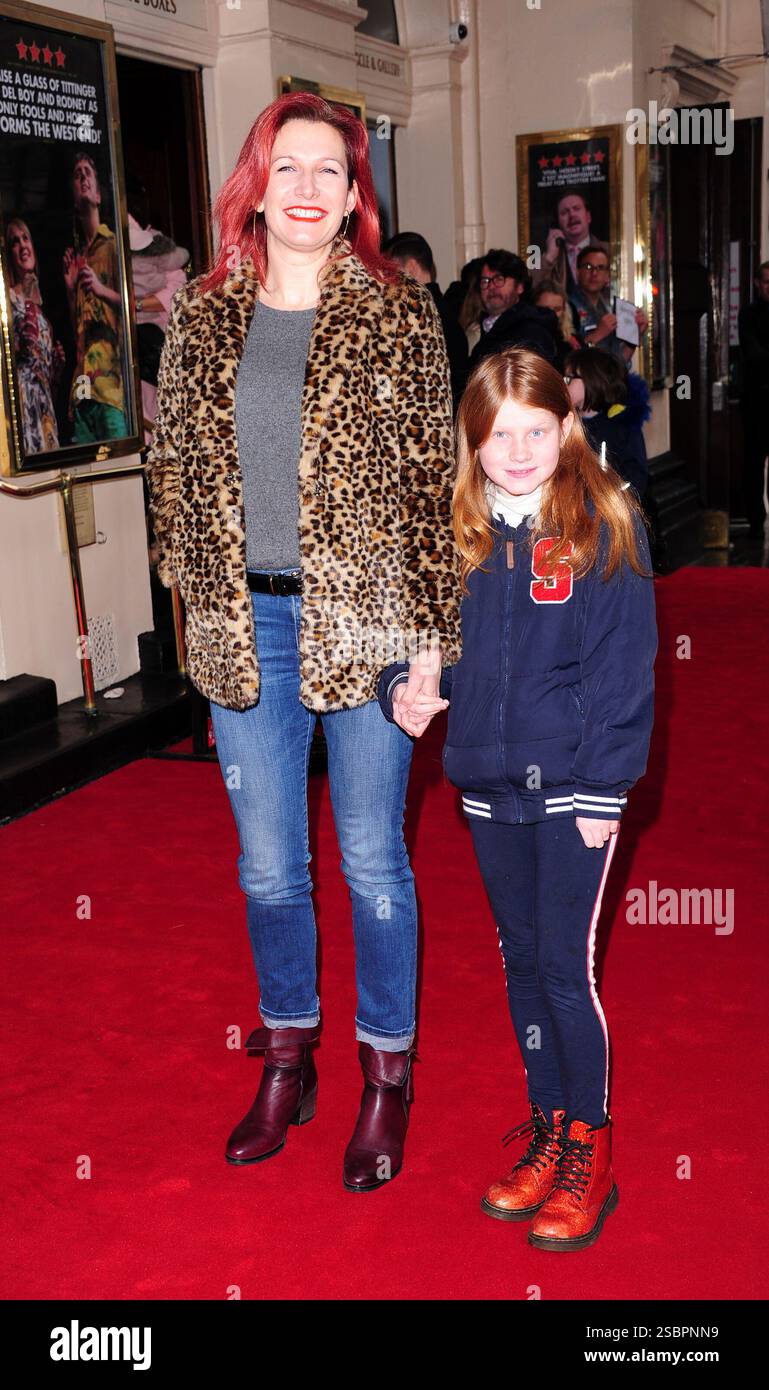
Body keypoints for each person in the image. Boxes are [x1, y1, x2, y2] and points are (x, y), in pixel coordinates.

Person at [145, 91, 463, 1194]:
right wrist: (190, 588)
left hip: (367, 623)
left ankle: (386, 1076)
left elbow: (430, 490)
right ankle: (288, 1058)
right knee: (269, 865)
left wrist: (429, 645)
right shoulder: (201, 318)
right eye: (289, 166)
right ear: (255, 182)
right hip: (246, 628)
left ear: (354, 192)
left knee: (373, 859)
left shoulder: (397, 316)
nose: (309, 188)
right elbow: (172, 468)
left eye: (331, 169)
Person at [378, 348, 657, 1251]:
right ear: (472, 442)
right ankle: (548, 1127)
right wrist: (401, 687)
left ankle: (590, 1149)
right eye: (499, 436)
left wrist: (605, 789)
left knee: (565, 971)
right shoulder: (455, 532)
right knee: (521, 964)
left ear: (566, 427)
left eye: (536, 431)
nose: (519, 452)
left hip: (576, 786)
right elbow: (415, 644)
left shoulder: (604, 523)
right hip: (487, 785)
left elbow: (624, 674)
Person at [62, 150, 127, 443]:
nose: (83, 178)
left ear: (99, 195)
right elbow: (78, 329)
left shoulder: (113, 245)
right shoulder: (77, 258)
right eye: (78, 175)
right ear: (75, 197)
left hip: (110, 385)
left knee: (120, 463)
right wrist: (70, 290)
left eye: (87, 172)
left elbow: (131, 308)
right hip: (82, 388)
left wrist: (101, 290)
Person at [127, 179, 190, 445]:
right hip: (127, 344)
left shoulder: (158, 245)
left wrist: (137, 305)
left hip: (158, 338)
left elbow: (178, 287)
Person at [383, 231, 469, 412]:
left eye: (390, 271)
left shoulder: (417, 317)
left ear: (411, 267)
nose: (386, 280)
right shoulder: (448, 313)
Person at [6, 217, 63, 453]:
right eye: (15, 241)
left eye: (25, 238)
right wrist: (28, 302)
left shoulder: (42, 313)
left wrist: (56, 366)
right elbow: (19, 351)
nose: (22, 245)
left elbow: (47, 379)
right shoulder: (8, 300)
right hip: (22, 404)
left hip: (45, 410)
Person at [564, 346, 650, 498]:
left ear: (591, 380)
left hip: (612, 507)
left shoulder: (620, 426)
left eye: (569, 379)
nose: (564, 384)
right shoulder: (567, 424)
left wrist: (610, 502)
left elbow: (636, 477)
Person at [469, 250, 560, 367]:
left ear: (519, 287)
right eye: (485, 281)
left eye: (499, 279)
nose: (491, 286)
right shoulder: (486, 327)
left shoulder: (531, 332)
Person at [569, 246, 647, 365]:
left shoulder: (611, 309)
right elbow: (567, 360)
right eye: (588, 267)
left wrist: (634, 336)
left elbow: (618, 365)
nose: (594, 273)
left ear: (607, 276)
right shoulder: (566, 307)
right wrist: (596, 335)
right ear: (577, 272)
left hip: (607, 376)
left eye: (600, 268)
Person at [737, 260, 769, 539]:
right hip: (757, 401)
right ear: (758, 284)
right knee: (753, 463)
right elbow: (754, 355)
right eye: (767, 282)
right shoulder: (748, 314)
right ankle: (756, 521)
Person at [538, 191, 609, 298]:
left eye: (576, 208)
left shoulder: (609, 251)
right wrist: (549, 258)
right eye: (564, 212)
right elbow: (533, 291)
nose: (572, 215)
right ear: (558, 223)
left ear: (588, 216)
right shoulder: (550, 257)